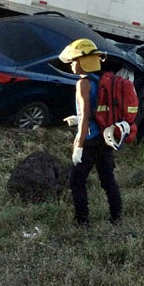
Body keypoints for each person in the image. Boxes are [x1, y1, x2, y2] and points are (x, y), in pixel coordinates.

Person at [58, 39, 122, 226]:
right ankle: (117, 218)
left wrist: (79, 143)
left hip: (91, 139)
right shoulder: (101, 80)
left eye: (74, 61)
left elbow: (86, 114)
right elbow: (96, 111)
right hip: (105, 136)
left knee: (76, 182)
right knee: (108, 180)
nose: (71, 65)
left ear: (84, 61)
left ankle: (82, 222)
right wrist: (76, 119)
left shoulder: (83, 83)